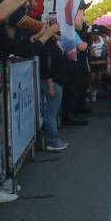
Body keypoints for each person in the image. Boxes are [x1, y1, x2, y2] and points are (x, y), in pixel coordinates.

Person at [38, 24, 67, 152]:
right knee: (51, 113)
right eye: (57, 32)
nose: (60, 35)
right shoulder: (48, 47)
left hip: (56, 83)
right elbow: (47, 68)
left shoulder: (54, 45)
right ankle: (52, 141)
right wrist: (50, 86)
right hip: (52, 83)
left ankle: (53, 139)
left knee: (52, 113)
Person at [87, 28, 107, 103]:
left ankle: (96, 91)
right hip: (93, 60)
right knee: (92, 78)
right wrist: (90, 51)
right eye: (94, 34)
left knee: (98, 78)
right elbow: (87, 49)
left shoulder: (103, 40)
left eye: (97, 34)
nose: (95, 36)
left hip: (101, 60)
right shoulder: (89, 41)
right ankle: (93, 92)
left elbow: (107, 48)